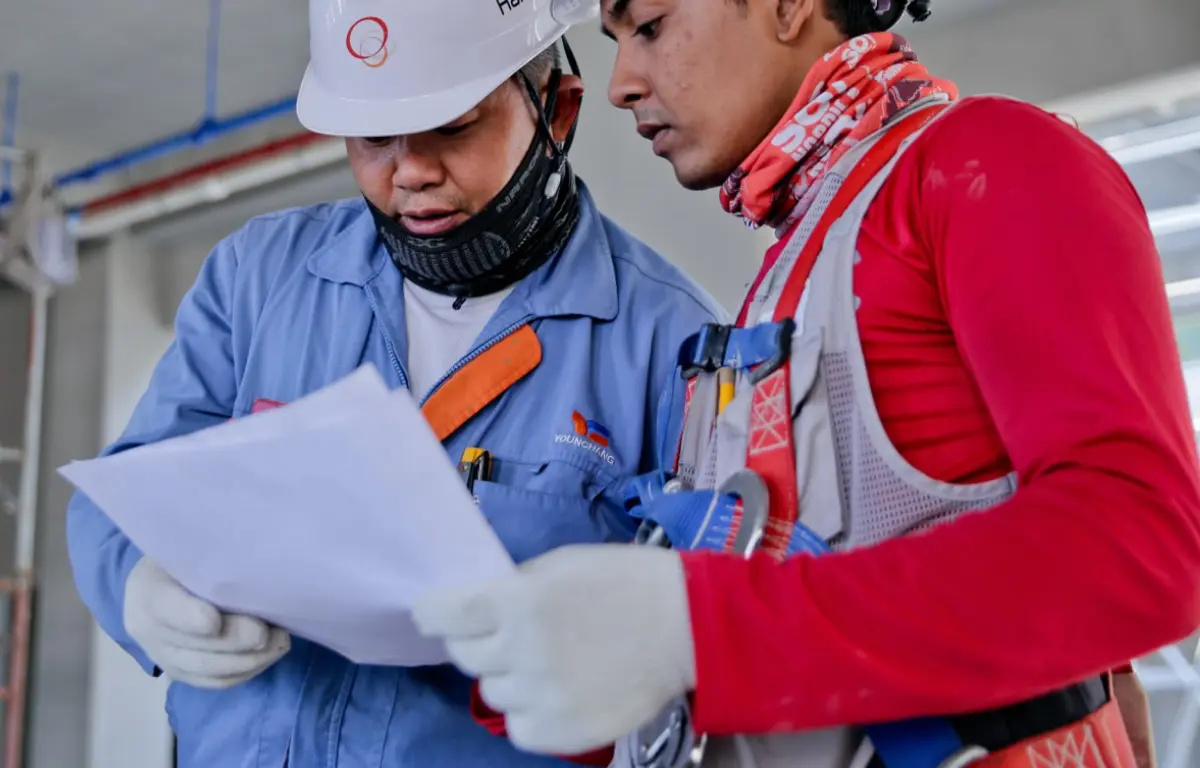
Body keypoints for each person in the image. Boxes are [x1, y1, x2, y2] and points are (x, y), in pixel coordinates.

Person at [412, 0, 1200, 766]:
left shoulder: (989, 162)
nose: (620, 83)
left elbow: (1142, 546)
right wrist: (551, 649)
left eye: (649, 27)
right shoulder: (794, 272)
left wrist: (697, 631)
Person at [64, 1, 724, 766]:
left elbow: (712, 644)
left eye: (453, 126)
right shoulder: (258, 280)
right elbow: (126, 490)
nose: (409, 169)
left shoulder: (671, 345)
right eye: (375, 137)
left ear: (559, 110)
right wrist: (138, 585)